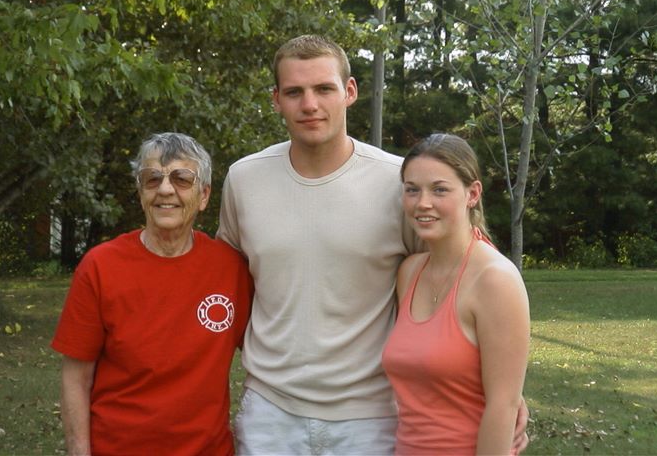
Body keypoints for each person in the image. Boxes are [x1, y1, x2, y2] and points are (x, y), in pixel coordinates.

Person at [217, 35, 528, 454]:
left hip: (370, 418)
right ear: (276, 99)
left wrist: (504, 392)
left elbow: (463, 269)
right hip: (271, 411)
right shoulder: (244, 179)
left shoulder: (399, 183)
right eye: (294, 92)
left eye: (324, 88)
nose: (310, 104)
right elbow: (226, 283)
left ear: (349, 92)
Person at [51, 132, 252, 456]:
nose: (165, 189)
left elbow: (269, 351)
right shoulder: (100, 267)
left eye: (181, 178)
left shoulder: (230, 269)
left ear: (203, 195)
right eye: (152, 178)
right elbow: (76, 378)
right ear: (140, 192)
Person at [382, 133, 531, 455]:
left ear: (472, 193)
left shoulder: (496, 280)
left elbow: (503, 407)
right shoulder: (409, 273)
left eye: (439, 189)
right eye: (412, 190)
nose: (423, 203)